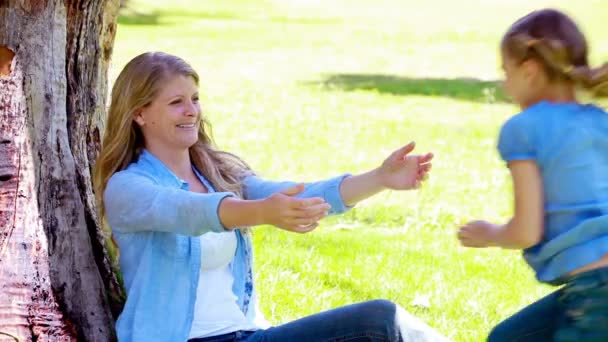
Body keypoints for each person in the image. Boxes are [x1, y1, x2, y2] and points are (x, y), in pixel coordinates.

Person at [94, 51, 447, 342]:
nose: (192, 111)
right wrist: (262, 212)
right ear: (140, 113)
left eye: (195, 99)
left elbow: (300, 194)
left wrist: (380, 178)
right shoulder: (129, 188)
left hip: (246, 334)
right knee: (379, 322)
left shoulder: (217, 173)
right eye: (176, 102)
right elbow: (189, 212)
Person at [457, 8, 608, 342]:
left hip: (596, 295)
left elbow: (526, 231)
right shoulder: (600, 121)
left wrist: (489, 234)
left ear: (529, 70)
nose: (504, 84)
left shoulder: (524, 129)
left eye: (506, 72)